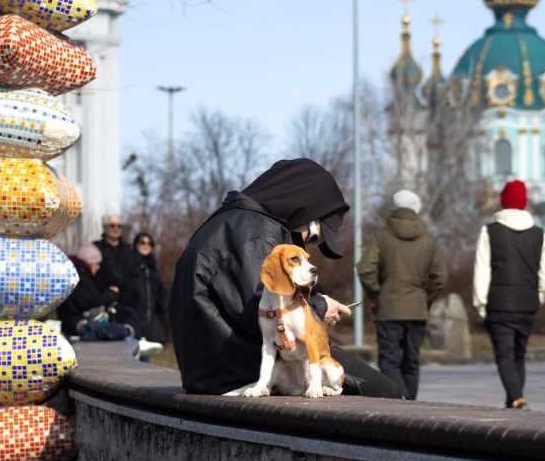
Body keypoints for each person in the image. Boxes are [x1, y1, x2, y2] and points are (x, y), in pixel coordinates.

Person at [169, 158, 403, 398]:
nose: (304, 244)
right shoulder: (254, 235)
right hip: (237, 374)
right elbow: (266, 309)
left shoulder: (234, 224)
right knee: (389, 395)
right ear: (306, 211)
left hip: (217, 371)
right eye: (312, 237)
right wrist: (321, 306)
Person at [357, 190, 446, 400]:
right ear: (417, 209)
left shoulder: (382, 237)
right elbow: (439, 277)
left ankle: (398, 399)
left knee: (389, 360)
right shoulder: (429, 239)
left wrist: (377, 293)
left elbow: (364, 269)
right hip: (418, 308)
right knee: (412, 360)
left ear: (395, 208)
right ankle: (410, 402)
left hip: (388, 307)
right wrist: (426, 299)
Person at [472, 180, 545, 410]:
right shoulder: (540, 234)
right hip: (527, 303)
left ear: (503, 202)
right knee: (519, 354)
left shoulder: (490, 231)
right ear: (524, 203)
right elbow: (544, 272)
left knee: (505, 356)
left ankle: (517, 398)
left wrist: (481, 303)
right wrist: (539, 297)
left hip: (499, 303)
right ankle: (513, 402)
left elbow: (482, 268)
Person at [56, 244, 163, 356]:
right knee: (109, 329)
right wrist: (111, 294)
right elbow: (91, 302)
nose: (98, 267)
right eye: (97, 264)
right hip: (77, 323)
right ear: (89, 263)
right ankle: (134, 339)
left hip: (80, 321)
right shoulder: (79, 279)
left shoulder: (80, 276)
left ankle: (135, 338)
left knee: (124, 316)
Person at [95, 215, 147, 335]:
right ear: (104, 228)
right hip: (103, 305)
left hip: (127, 305)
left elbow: (136, 276)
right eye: (112, 225)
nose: (116, 228)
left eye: (119, 226)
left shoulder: (129, 250)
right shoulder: (96, 248)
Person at [134, 232, 168, 343]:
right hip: (133, 320)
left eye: (149, 243)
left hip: (150, 321)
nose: (146, 245)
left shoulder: (153, 268)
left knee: (146, 358)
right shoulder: (129, 263)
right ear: (135, 245)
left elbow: (160, 293)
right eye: (142, 242)